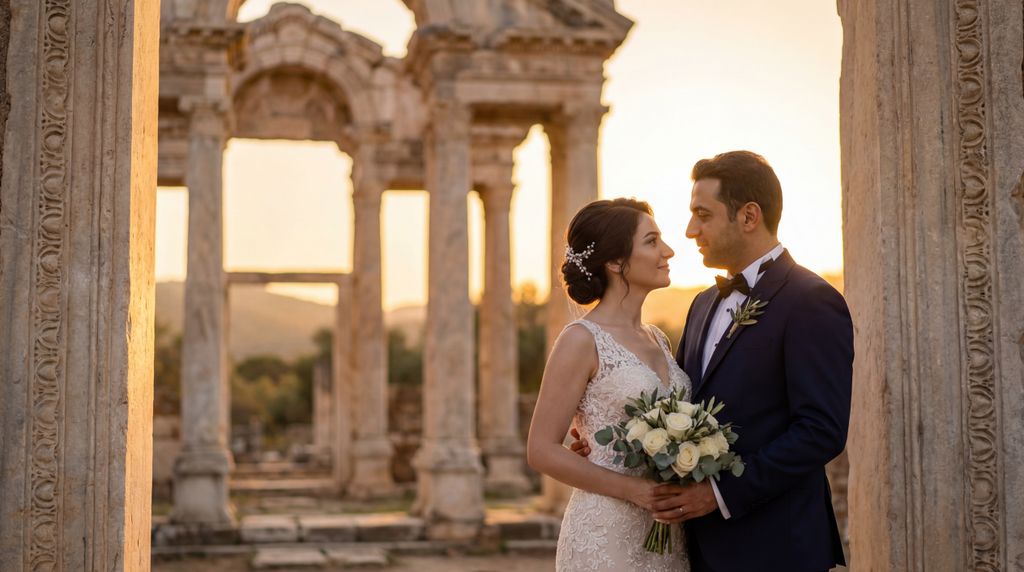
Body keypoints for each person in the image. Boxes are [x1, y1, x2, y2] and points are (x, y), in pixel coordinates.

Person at [569, 151, 853, 571]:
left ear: (749, 216)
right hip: (696, 549)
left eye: (703, 214)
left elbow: (820, 431)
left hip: (777, 546)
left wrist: (718, 494)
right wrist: (609, 438)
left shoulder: (811, 301)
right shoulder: (702, 305)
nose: (689, 231)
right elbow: (677, 406)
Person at [527, 198, 692, 571]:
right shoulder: (581, 339)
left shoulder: (658, 339)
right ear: (616, 263)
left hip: (667, 534)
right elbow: (540, 449)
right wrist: (636, 491)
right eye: (652, 241)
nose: (667, 251)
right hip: (605, 532)